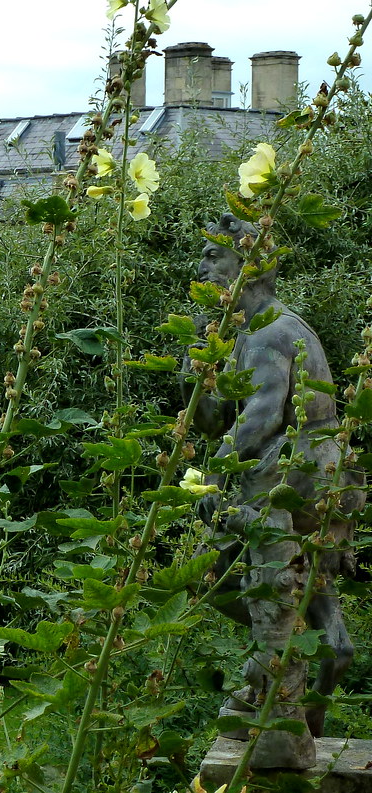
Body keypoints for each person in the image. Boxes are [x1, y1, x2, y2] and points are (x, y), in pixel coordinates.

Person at [185, 213, 363, 769]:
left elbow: (260, 418)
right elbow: (217, 420)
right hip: (329, 476)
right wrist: (202, 362)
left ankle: (276, 709)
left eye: (216, 257)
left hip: (292, 478)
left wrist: (212, 474)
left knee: (224, 579)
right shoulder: (260, 330)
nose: (202, 267)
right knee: (308, 594)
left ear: (251, 267)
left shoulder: (269, 333)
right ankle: (323, 664)